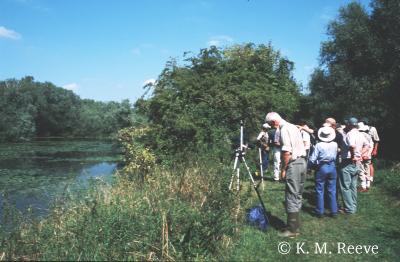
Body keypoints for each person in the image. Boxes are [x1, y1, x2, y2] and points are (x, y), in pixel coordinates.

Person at [265, 112, 307, 237]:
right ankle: (295, 224)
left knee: (291, 195)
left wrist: (283, 169)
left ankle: (292, 230)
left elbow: (286, 152)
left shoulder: (283, 129)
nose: (271, 127)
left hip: (293, 164)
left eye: (270, 125)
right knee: (298, 193)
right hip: (302, 162)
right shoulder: (293, 126)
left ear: (273, 122)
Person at [338, 117, 369, 214]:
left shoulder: (350, 134)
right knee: (353, 186)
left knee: (345, 186)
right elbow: (367, 145)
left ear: (349, 125)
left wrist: (353, 155)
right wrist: (360, 154)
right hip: (357, 163)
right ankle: (353, 206)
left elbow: (352, 146)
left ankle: (349, 209)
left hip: (348, 162)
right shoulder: (360, 134)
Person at [308, 126, 338, 218]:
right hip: (332, 166)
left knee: (319, 190)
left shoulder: (319, 145)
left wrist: (309, 167)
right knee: (332, 190)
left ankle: (320, 211)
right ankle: (334, 211)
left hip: (322, 167)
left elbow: (313, 159)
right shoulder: (335, 144)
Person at [358, 122, 373, 192]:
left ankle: (363, 186)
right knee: (367, 170)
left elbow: (359, 146)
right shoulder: (369, 136)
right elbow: (371, 146)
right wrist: (368, 154)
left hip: (361, 155)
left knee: (361, 170)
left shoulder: (358, 135)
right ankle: (368, 185)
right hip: (368, 155)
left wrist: (361, 154)